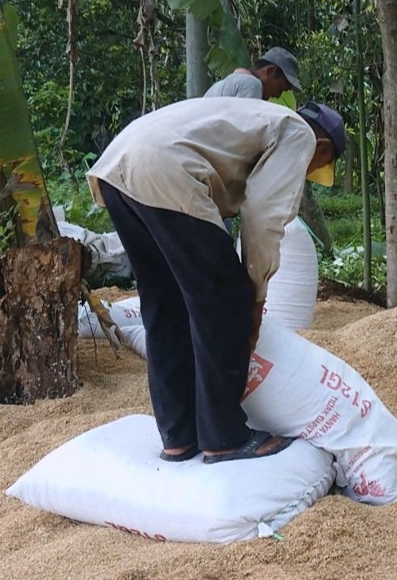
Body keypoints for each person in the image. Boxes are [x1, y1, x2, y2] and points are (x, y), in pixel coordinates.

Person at [86, 97, 347, 465]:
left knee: (164, 303)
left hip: (116, 168)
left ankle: (179, 435)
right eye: (318, 167)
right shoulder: (299, 134)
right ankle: (224, 436)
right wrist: (253, 296)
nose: (309, 175)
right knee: (224, 298)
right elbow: (262, 217)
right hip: (165, 171)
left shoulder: (254, 117)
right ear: (322, 147)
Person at [204, 46, 301, 100]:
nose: (278, 95)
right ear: (270, 71)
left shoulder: (237, 81)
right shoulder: (252, 84)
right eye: (280, 88)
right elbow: (244, 129)